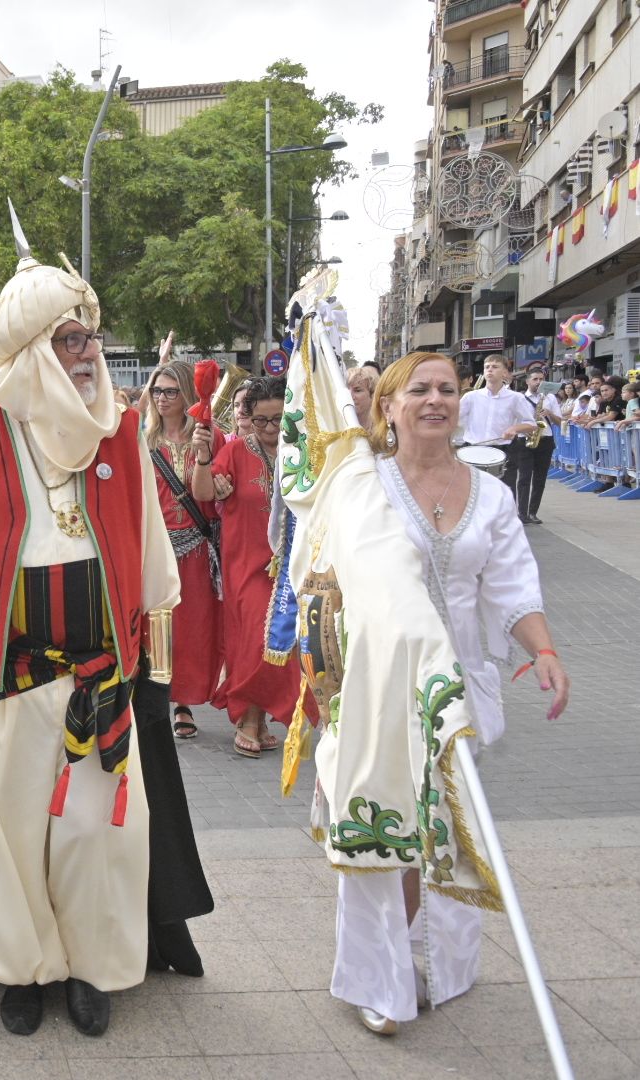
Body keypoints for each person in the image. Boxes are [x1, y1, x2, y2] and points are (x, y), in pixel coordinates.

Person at [0, 236, 179, 1038]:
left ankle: (92, 969)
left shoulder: (122, 438)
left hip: (102, 679)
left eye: (91, 336)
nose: (91, 354)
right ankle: (21, 970)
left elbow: (156, 560)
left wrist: (158, 674)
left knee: (97, 834)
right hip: (1, 680)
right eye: (73, 339)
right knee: (7, 839)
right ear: (30, 354)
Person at [321, 350, 567, 1035]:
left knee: (450, 832)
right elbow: (324, 584)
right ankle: (383, 977)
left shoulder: (490, 494)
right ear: (389, 406)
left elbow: (514, 586)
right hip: (379, 685)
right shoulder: (361, 486)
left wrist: (543, 650)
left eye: (448, 390)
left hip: (462, 687)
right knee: (388, 829)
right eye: (420, 390)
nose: (436, 400)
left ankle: (442, 964)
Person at [191, 376, 313, 757]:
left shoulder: (304, 452)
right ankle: (247, 718)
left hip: (291, 564)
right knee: (253, 639)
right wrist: (204, 459)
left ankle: (258, 718)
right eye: (261, 420)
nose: (271, 429)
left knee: (279, 641)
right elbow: (204, 492)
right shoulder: (237, 450)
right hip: (244, 560)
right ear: (248, 417)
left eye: (279, 419)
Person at [142, 355, 227, 740]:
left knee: (192, 630)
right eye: (157, 390)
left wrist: (220, 479)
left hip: (196, 547)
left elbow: (222, 484)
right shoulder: (144, 441)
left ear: (186, 392)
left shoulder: (208, 433)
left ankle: (184, 702)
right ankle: (156, 696)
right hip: (156, 547)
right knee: (158, 627)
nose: (162, 398)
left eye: (170, 391)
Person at [458, 355, 535, 506]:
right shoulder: (471, 397)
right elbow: (452, 419)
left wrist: (514, 428)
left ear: (505, 372)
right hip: (473, 450)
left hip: (503, 450)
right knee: (471, 496)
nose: (490, 370)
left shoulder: (515, 398)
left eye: (495, 367)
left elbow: (531, 424)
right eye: (487, 367)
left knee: (504, 494)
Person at [517, 367, 557, 523]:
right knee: (524, 478)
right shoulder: (519, 398)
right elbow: (514, 419)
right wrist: (523, 429)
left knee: (540, 479)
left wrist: (550, 413)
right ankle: (522, 513)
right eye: (535, 379)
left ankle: (533, 512)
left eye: (541, 379)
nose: (539, 382)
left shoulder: (550, 398)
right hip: (525, 439)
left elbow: (559, 422)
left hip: (545, 439)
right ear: (527, 381)